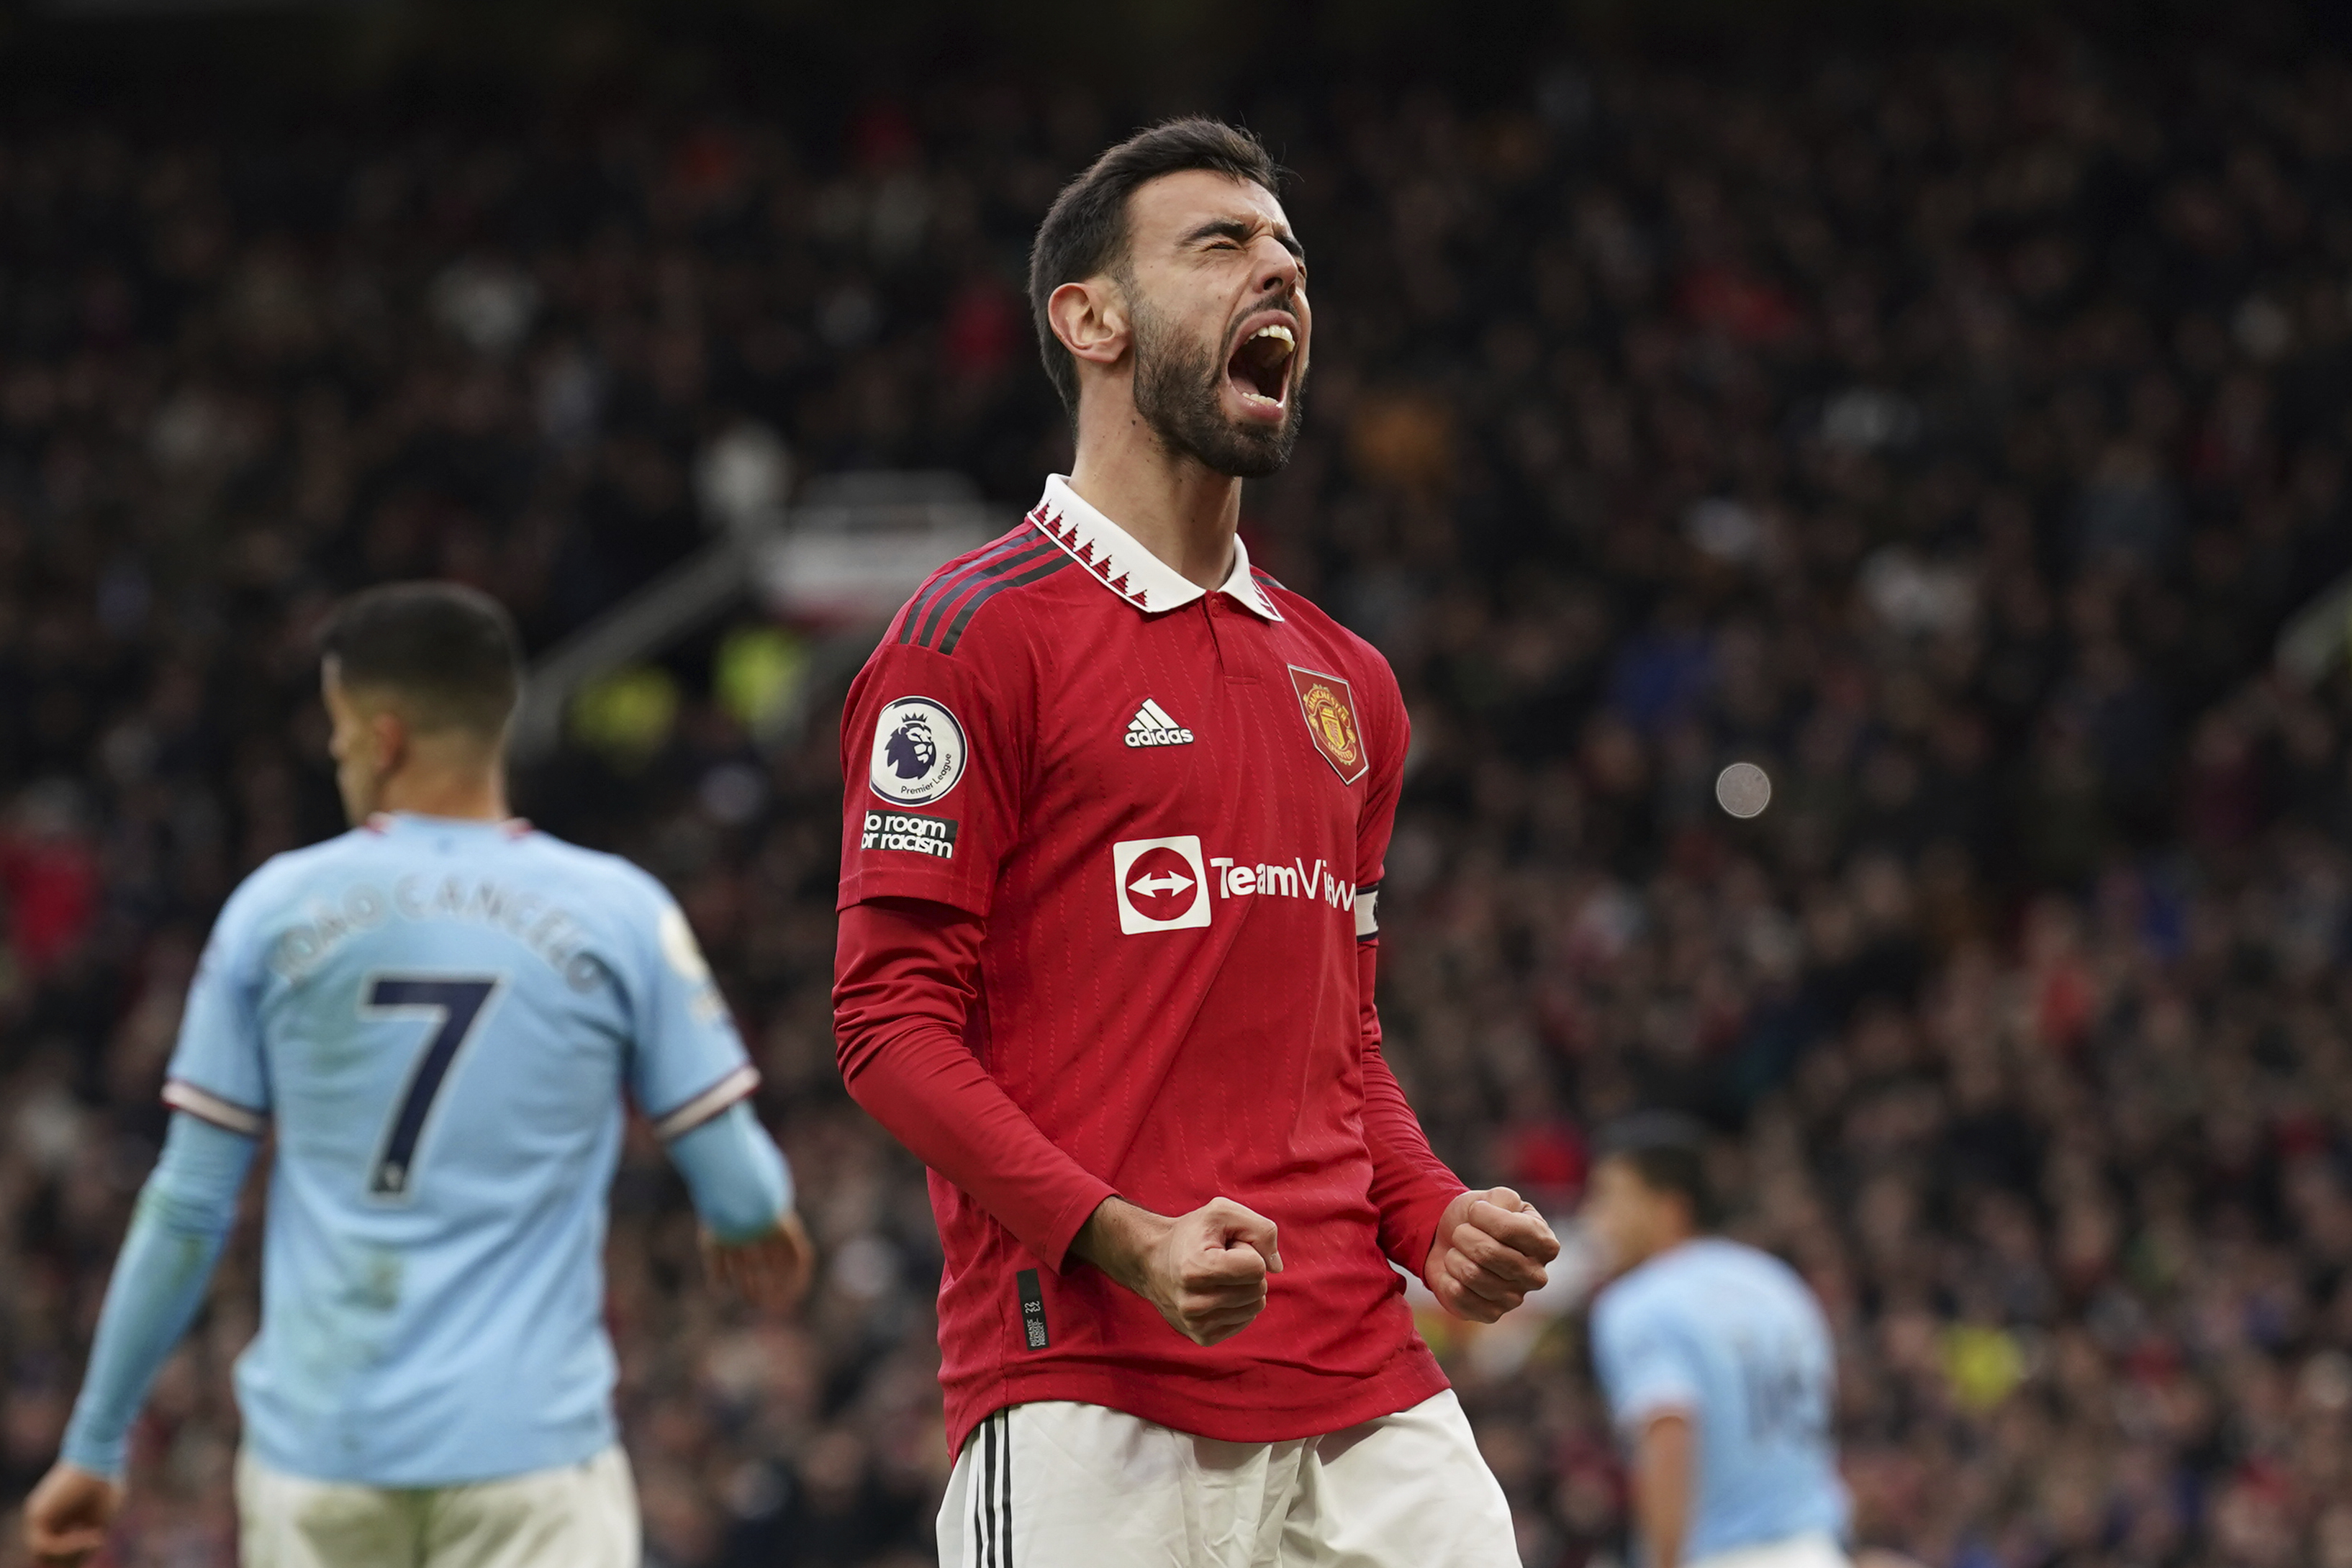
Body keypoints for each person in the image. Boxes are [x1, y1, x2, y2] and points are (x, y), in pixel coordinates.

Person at [831, 117, 1560, 1568]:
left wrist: (1423, 1213)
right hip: (1089, 1396)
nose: (1276, 277)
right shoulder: (968, 639)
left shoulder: (1347, 683)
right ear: (1088, 318)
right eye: (1220, 246)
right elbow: (884, 1027)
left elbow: (1339, 1043)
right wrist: (1123, 1238)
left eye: (1289, 256)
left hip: (1367, 1390)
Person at [22, 583, 814, 1568]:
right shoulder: (618, 911)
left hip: (322, 1456)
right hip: (529, 1457)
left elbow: (187, 1207)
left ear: (385, 734)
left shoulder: (273, 912)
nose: (335, 753)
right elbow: (742, 1187)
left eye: (339, 731)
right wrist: (749, 1218)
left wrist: (97, 1444)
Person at [1582, 1113, 1851, 1568]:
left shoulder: (1639, 1302)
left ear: (1668, 1207)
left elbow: (1669, 1435)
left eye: (1610, 1198)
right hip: (1817, 1551)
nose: (1596, 1220)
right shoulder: (1779, 1284)